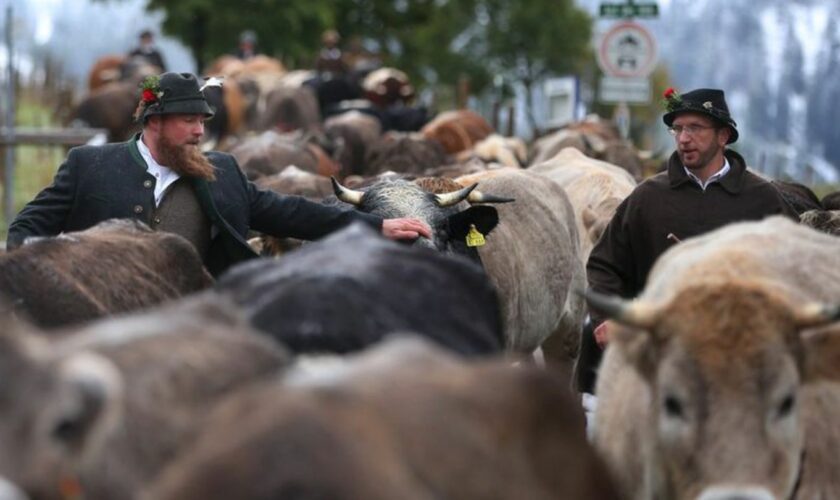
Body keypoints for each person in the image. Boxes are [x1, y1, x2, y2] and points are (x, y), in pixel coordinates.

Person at [6, 72, 431, 277]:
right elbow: (26, 229)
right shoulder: (89, 165)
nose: (199, 131)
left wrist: (377, 226)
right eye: (188, 120)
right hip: (106, 316)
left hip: (198, 320)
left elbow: (289, 212)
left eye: (203, 120)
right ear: (154, 120)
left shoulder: (220, 170)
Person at [576, 87, 798, 393]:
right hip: (660, 352)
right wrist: (610, 318)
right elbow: (605, 265)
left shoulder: (762, 199)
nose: (683, 138)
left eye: (695, 128)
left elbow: (795, 268)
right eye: (677, 128)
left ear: (723, 136)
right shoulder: (647, 198)